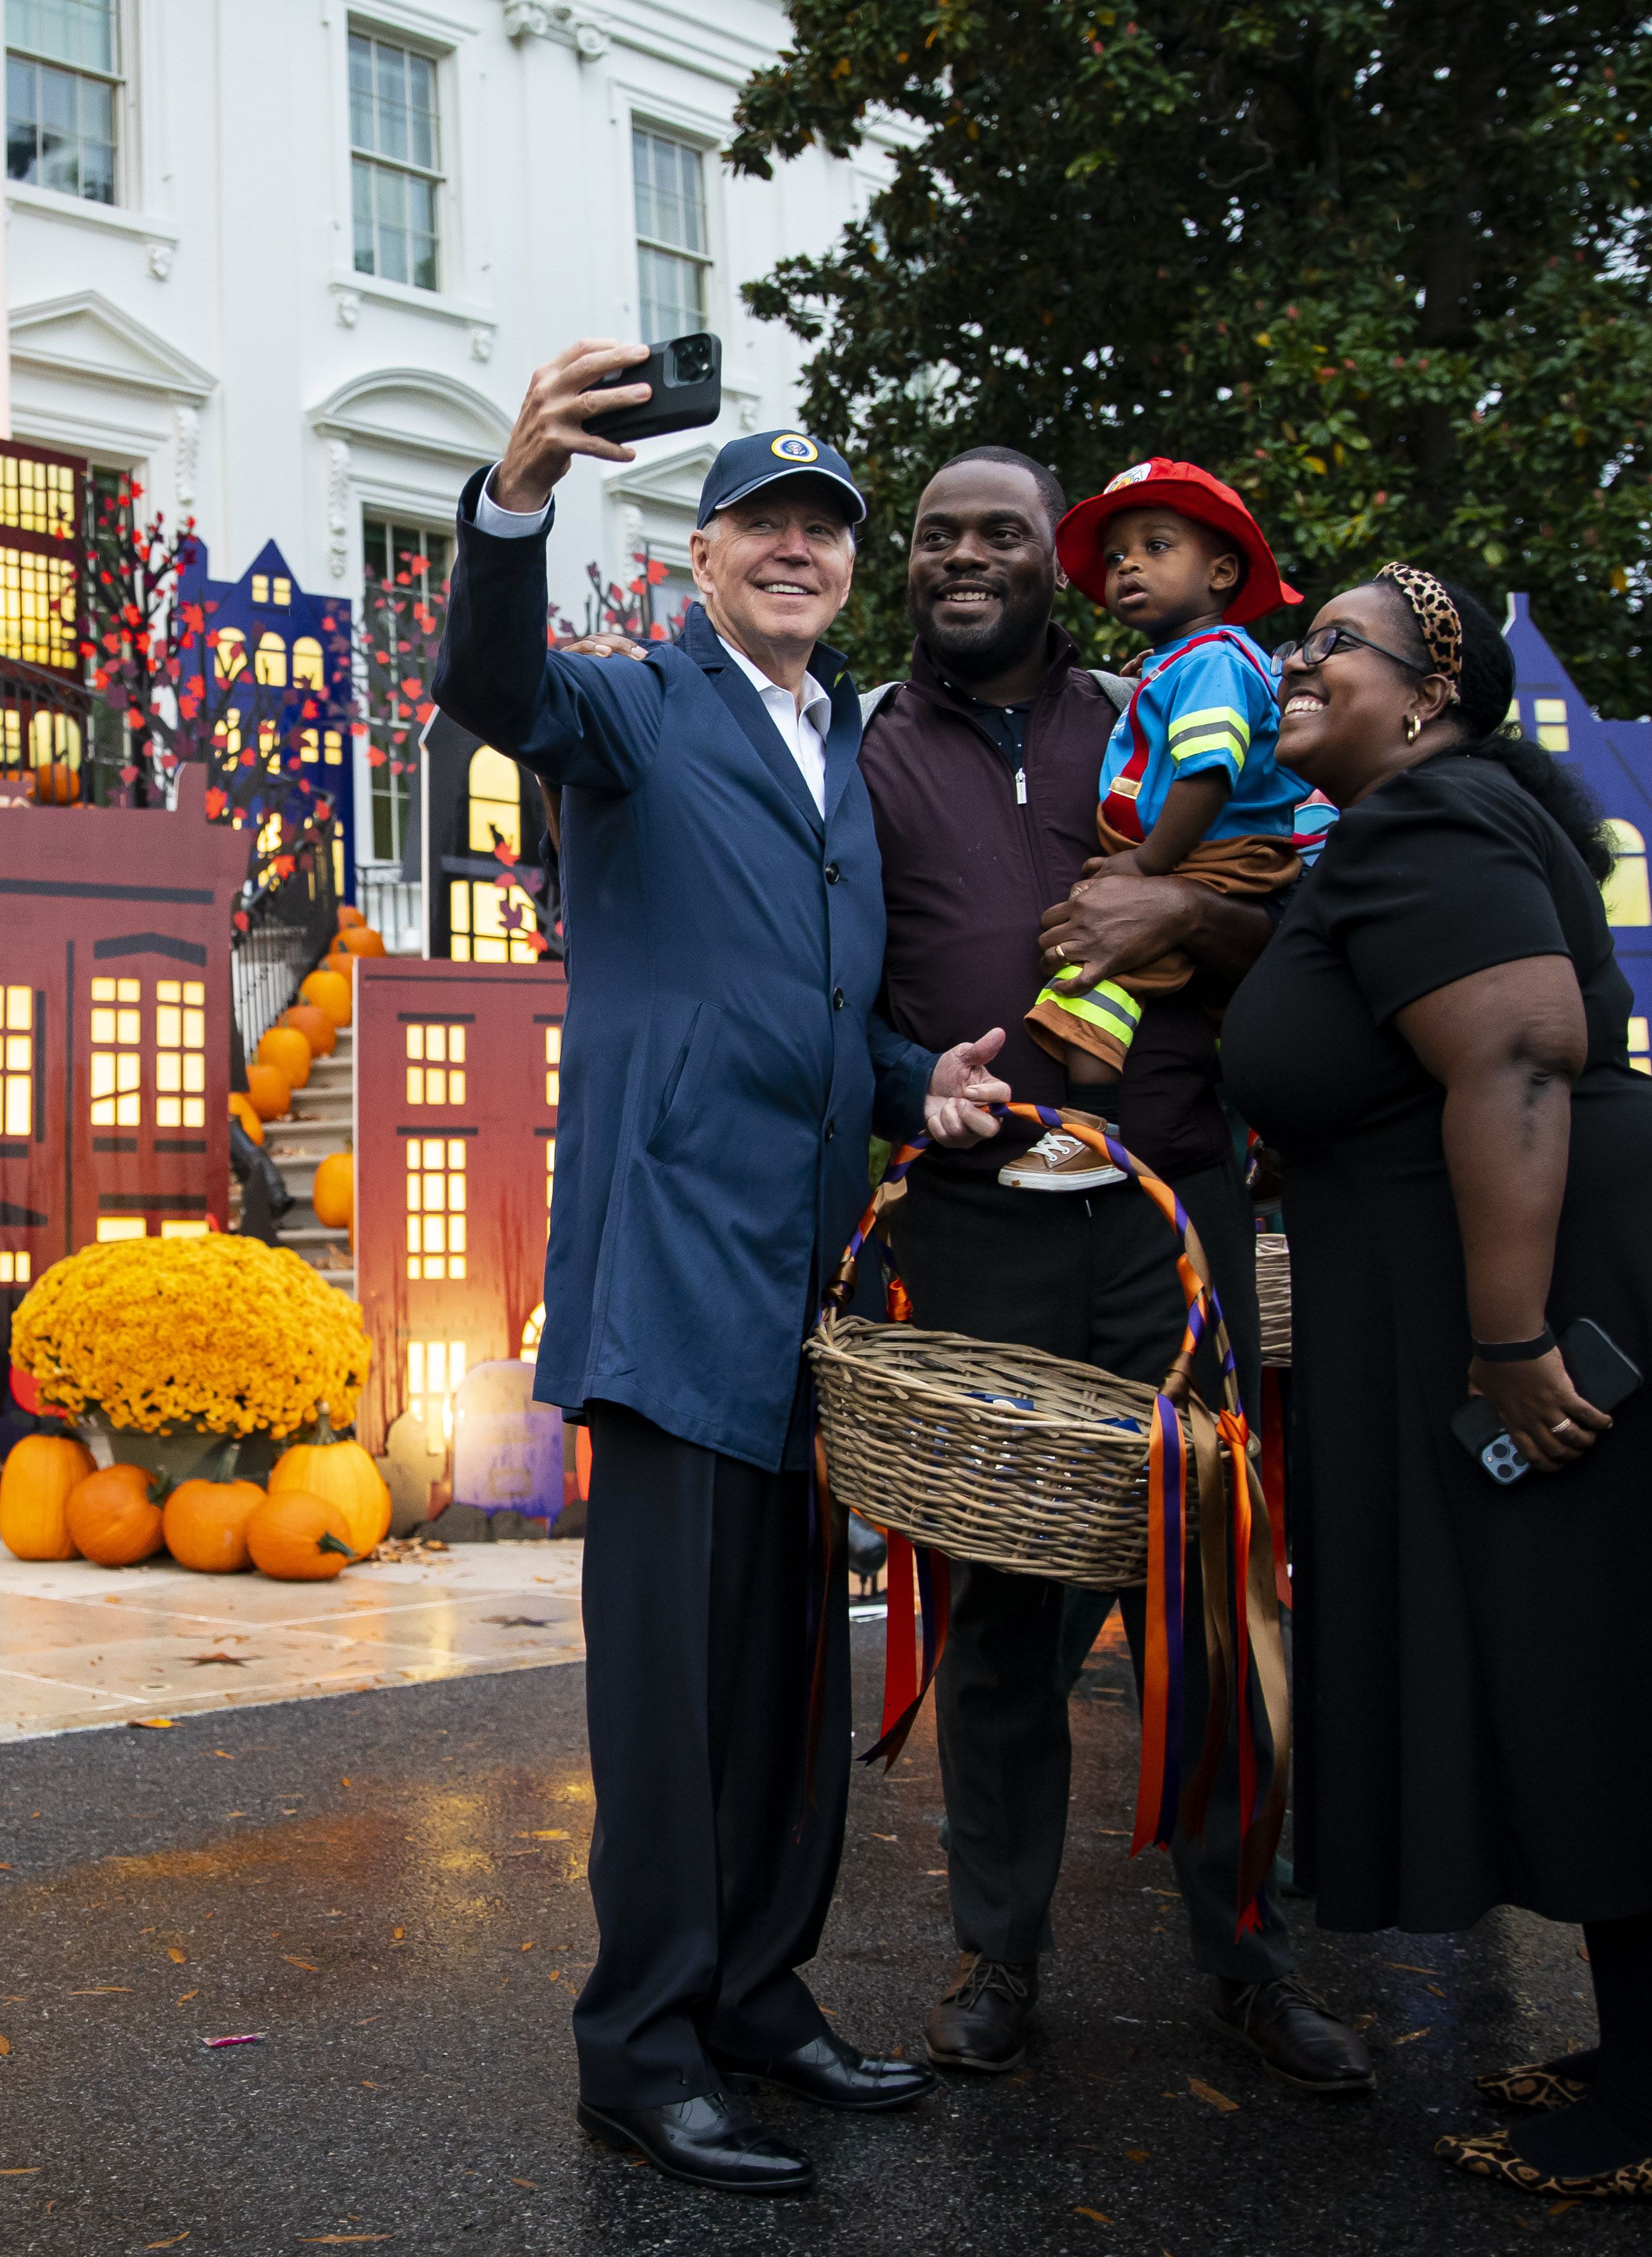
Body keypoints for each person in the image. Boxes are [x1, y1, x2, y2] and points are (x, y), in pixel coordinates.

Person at [1222, 563, 1652, 2208]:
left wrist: (1510, 1342)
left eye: (1331, 647)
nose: (1295, 664)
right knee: (1646, 1655)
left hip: (1581, 1275)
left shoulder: (1417, 823)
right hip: (1634, 1245)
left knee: (1601, 1669)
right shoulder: (1425, 823)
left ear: (1424, 696)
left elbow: (1512, 1050)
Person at [433, 339, 1011, 2198]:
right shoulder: (629, 708)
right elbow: (487, 681)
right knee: (669, 1693)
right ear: (697, 553)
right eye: (760, 518)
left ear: (850, 566)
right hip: (671, 1266)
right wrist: (514, 491)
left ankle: (761, 1996)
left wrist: (929, 1082)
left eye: (822, 526)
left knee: (787, 1682)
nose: (794, 546)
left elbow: (823, 1001)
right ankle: (642, 2044)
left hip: (805, 1280)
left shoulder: (850, 746)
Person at [854, 447, 1371, 2093]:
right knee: (997, 1601)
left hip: (1169, 1207)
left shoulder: (1159, 704)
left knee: (1213, 1593)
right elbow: (828, 992)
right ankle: (997, 1951)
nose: (963, 556)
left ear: (1049, 562)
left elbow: (1287, 923)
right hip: (972, 1213)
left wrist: (1169, 909)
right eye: (936, 534)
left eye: (998, 531)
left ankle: (1243, 1951)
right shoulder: (861, 755)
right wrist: (904, 1078)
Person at [1008, 460, 1325, 1189]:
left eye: (1156, 547)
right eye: (1116, 557)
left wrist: (1149, 867)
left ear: (1220, 572)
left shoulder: (1213, 661)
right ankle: (1276, 1135)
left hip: (1216, 854)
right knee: (1245, 1013)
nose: (1128, 568)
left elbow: (1206, 772)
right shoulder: (1174, 661)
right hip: (1193, 854)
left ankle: (1087, 1133)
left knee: (1097, 968)